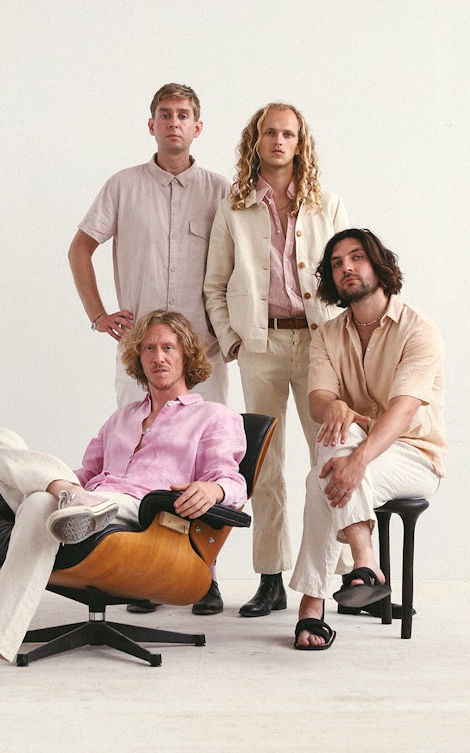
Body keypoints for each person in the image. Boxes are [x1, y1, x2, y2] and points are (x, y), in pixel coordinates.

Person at [0, 310, 247, 692]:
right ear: (138, 357)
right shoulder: (121, 418)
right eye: (148, 348)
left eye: (168, 348)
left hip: (142, 513)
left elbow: (232, 480)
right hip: (85, 499)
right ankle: (72, 501)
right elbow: (85, 471)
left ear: (186, 355)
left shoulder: (214, 416)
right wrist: (12, 474)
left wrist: (214, 490)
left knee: (39, 504)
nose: (158, 357)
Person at [69, 83, 230, 615]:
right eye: (165, 114)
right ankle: (141, 572)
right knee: (134, 459)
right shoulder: (123, 186)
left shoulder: (220, 191)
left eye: (184, 115)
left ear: (198, 127)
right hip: (141, 354)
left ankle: (202, 576)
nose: (174, 123)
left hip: (203, 353)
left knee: (205, 462)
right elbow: (81, 247)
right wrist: (98, 314)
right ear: (151, 124)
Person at [203, 103, 349, 617]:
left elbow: (347, 277)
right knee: (264, 464)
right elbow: (215, 284)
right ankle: (270, 578)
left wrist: (344, 348)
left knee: (330, 457)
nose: (279, 141)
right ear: (256, 140)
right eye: (270, 132)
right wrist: (234, 340)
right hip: (259, 347)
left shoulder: (327, 205)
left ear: (300, 142)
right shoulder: (234, 207)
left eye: (288, 133)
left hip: (319, 346)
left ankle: (340, 576)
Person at [289, 229, 446, 650]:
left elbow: (403, 411)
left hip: (415, 455)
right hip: (355, 448)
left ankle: (313, 604)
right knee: (332, 441)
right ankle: (365, 565)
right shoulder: (327, 335)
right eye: (337, 263)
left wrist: (358, 460)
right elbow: (318, 399)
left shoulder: (418, 328)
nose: (347, 268)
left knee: (323, 476)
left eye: (356, 257)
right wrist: (335, 407)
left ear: (377, 264)